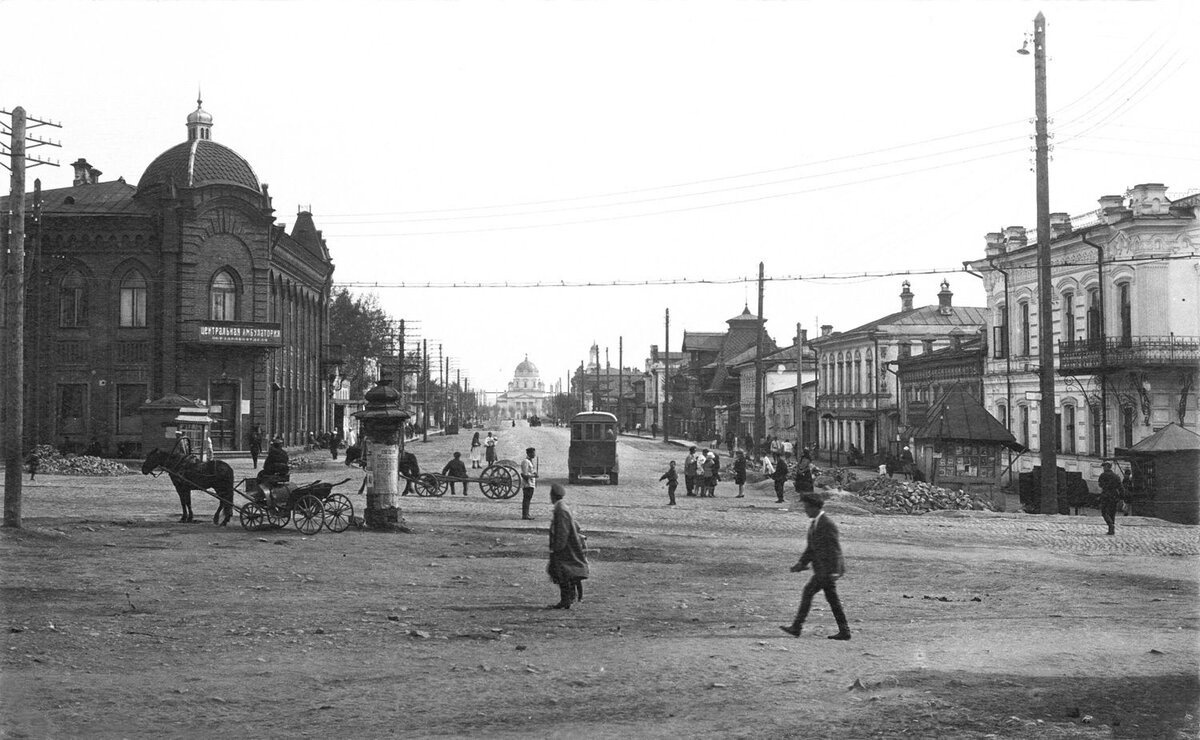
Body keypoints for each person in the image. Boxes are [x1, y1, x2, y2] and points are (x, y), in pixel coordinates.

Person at [780, 492, 851, 641]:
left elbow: (835, 549)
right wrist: (801, 564)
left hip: (827, 571)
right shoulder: (816, 523)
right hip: (823, 570)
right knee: (832, 600)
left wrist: (834, 571)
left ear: (814, 508)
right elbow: (811, 548)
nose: (805, 510)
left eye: (806, 507)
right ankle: (844, 631)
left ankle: (797, 627)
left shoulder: (826, 524)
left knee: (810, 593)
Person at [546, 484, 589, 609]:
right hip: (567, 546)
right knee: (563, 573)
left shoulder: (560, 509)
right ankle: (568, 598)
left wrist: (557, 548)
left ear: (553, 496)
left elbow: (562, 531)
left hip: (565, 548)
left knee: (562, 573)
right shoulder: (562, 506)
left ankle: (566, 600)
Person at [1098, 461, 1126, 535]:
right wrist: (1122, 497)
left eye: (1104, 466)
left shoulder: (1103, 475)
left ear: (1107, 467)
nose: (1103, 468)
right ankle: (1111, 529)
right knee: (1112, 512)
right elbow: (1121, 487)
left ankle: (1110, 525)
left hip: (1105, 495)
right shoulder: (1116, 476)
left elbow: (1100, 485)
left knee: (1104, 512)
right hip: (1114, 495)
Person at [519, 447, 538, 520]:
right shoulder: (525, 462)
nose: (534, 454)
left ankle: (527, 514)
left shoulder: (530, 461)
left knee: (528, 499)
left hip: (531, 484)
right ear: (529, 453)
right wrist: (534, 475)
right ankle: (525, 515)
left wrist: (534, 474)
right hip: (527, 484)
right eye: (533, 453)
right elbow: (525, 474)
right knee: (526, 499)